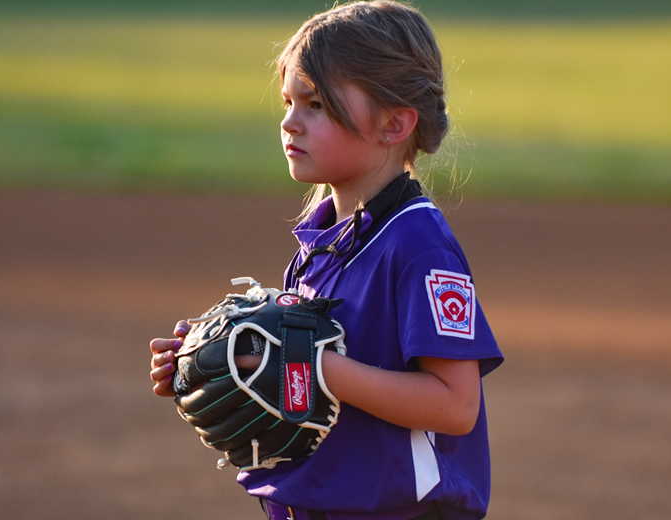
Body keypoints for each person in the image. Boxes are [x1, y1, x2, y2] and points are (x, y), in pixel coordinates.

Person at [149, 2, 504, 519]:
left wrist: (311, 365)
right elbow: (309, 371)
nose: (290, 122)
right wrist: (222, 358)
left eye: (315, 104)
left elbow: (455, 405)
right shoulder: (325, 236)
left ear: (394, 123)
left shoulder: (417, 245)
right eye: (288, 101)